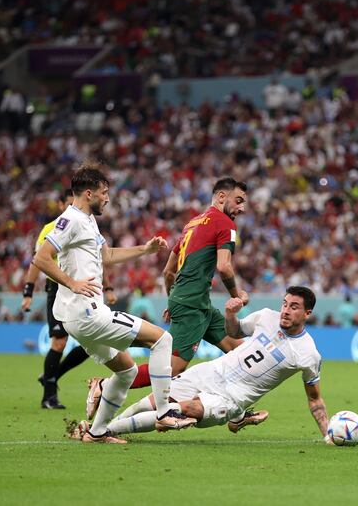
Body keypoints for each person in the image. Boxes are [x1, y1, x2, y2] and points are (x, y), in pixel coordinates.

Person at [32, 162, 195, 443]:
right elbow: (41, 258)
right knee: (162, 340)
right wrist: (71, 282)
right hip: (89, 315)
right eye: (104, 192)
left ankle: (97, 432)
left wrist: (144, 250)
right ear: (88, 193)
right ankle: (165, 411)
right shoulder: (69, 220)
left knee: (127, 371)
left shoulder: (89, 220)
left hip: (79, 317)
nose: (107, 198)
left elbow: (106, 256)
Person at [70, 287, 329, 442]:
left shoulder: (308, 354)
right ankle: (100, 430)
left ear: (307, 313)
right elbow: (235, 332)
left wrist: (328, 433)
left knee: (176, 410)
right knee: (147, 403)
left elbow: (315, 400)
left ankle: (98, 432)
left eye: (294, 307)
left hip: (231, 397)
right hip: (211, 372)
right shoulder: (266, 317)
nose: (285, 310)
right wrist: (230, 314)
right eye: (284, 304)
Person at [124, 178, 249, 390]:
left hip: (197, 303)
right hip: (192, 304)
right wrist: (237, 296)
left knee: (240, 352)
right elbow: (224, 266)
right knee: (171, 369)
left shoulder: (192, 224)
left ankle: (235, 411)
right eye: (238, 201)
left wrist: (173, 299)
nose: (242, 208)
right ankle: (105, 386)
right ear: (221, 197)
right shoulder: (225, 223)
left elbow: (168, 271)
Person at [20, 189, 117, 409]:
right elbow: (38, 261)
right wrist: (28, 291)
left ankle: (51, 374)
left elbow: (99, 261)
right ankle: (49, 396)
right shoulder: (51, 229)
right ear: (61, 204)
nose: (68, 206)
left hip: (85, 288)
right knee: (59, 342)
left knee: (90, 342)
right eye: (65, 203)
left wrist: (108, 287)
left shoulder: (86, 223)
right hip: (58, 289)